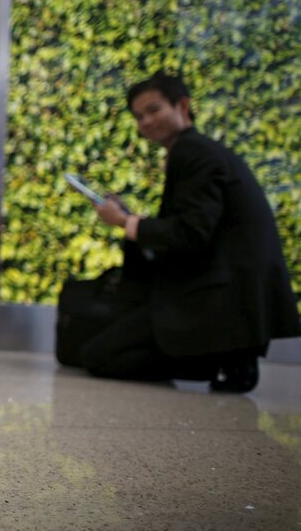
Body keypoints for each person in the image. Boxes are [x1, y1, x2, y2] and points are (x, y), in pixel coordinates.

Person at [84, 72, 299, 392]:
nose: (145, 122)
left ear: (182, 106)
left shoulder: (191, 152)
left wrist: (124, 222)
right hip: (225, 297)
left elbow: (191, 233)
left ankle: (219, 361)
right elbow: (196, 226)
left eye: (154, 110)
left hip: (216, 299)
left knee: (101, 355)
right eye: (139, 116)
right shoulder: (199, 150)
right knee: (105, 350)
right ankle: (226, 359)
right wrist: (132, 220)